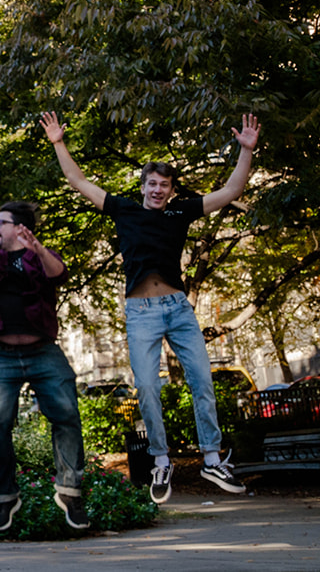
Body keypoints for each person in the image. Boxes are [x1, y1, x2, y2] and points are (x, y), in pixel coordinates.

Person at [40, 111, 259, 503]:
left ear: (172, 190)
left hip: (178, 309)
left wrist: (245, 151)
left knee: (202, 381)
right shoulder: (124, 210)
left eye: (165, 185)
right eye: (153, 183)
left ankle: (211, 456)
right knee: (145, 387)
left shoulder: (180, 211)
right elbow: (78, 181)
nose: (158, 190)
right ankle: (161, 460)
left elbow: (231, 191)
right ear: (143, 185)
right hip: (140, 312)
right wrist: (59, 142)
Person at [0, 155, 88, 532]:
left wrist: (38, 249)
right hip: (1, 355)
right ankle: (5, 498)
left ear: (19, 228)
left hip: (43, 351)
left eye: (0, 222)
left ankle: (70, 492)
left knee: (66, 415)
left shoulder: (39, 257)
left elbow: (58, 274)